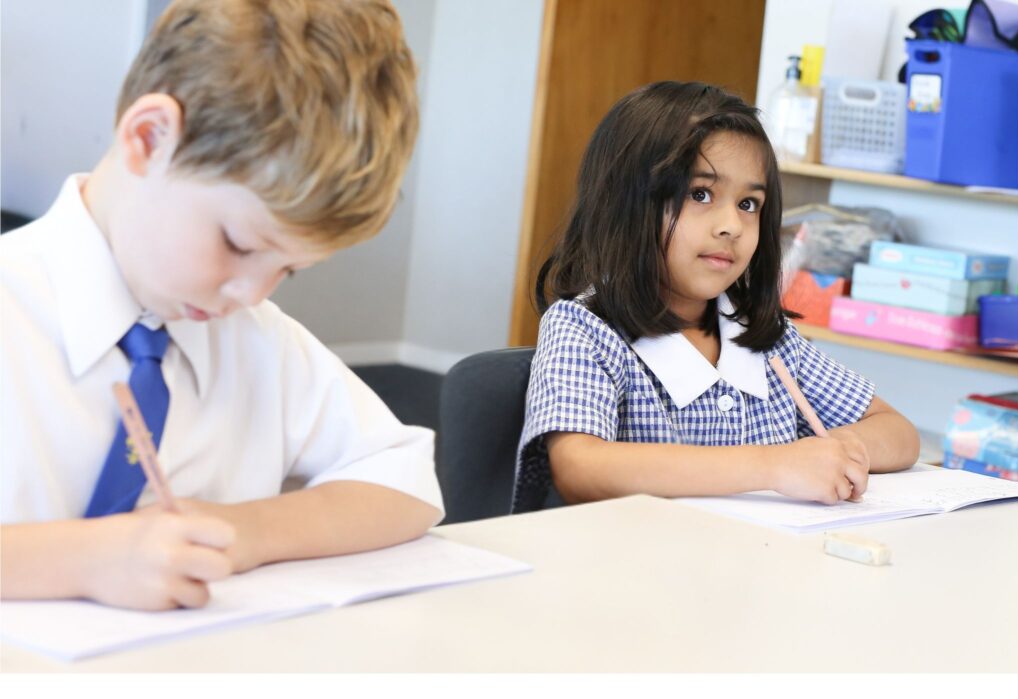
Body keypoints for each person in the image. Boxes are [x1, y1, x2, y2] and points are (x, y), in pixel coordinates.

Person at [0, 0, 444, 610]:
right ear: (150, 138)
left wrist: (241, 531)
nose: (253, 293)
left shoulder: (258, 339)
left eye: (288, 269)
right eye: (238, 243)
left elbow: (405, 479)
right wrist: (85, 559)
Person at [513, 81, 919, 512]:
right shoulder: (586, 329)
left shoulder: (764, 336)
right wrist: (773, 465)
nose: (732, 225)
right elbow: (580, 469)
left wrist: (842, 449)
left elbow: (898, 432)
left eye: (748, 204)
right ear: (625, 204)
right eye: (700, 194)